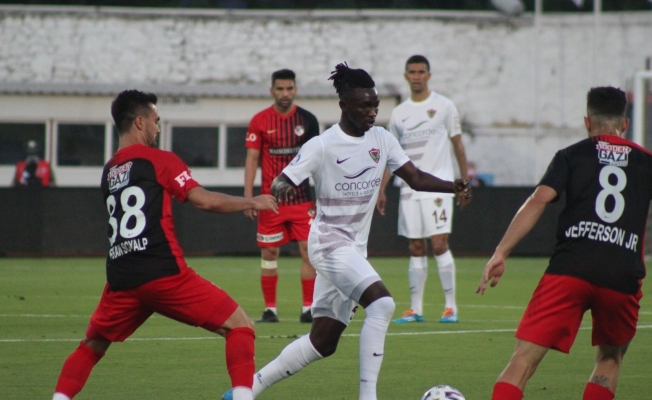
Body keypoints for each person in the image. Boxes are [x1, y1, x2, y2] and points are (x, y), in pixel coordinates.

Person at [223, 63, 471, 400]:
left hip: (353, 250)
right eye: (364, 106)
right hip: (328, 245)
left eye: (375, 105)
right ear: (344, 105)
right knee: (382, 305)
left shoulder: (382, 139)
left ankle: (247, 390)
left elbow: (414, 178)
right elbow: (284, 179)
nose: (372, 112)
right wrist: (277, 190)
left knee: (322, 342)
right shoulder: (322, 145)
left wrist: (452, 186)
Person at [51, 90, 278, 400]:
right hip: (162, 272)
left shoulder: (109, 171)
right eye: (156, 121)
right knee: (240, 326)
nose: (158, 128)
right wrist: (251, 201)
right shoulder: (159, 160)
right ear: (140, 122)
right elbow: (204, 201)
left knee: (91, 347)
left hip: (122, 278)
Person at [477, 86, 648, 400]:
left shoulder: (571, 155)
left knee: (523, 360)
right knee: (610, 358)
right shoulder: (646, 161)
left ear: (587, 122)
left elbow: (538, 200)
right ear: (625, 124)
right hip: (621, 273)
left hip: (570, 269)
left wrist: (501, 252)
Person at [376, 54, 469, 324]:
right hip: (409, 190)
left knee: (439, 244)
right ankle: (415, 310)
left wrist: (464, 183)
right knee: (416, 247)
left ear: (429, 75)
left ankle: (450, 307)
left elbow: (458, 145)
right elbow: (392, 157)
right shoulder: (399, 113)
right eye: (412, 72)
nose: (416, 76)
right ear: (406, 76)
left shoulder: (444, 106)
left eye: (421, 72)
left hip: (439, 186)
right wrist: (382, 189)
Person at [244, 68, 320, 323]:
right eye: (280, 89)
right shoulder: (260, 120)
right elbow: (252, 159)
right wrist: (248, 198)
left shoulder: (307, 120)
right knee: (269, 254)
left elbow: (317, 160)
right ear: (272, 90)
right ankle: (270, 310)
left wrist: (321, 196)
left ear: (295, 90)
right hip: (271, 202)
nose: (285, 93)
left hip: (302, 200)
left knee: (308, 252)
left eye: (289, 88)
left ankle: (309, 309)